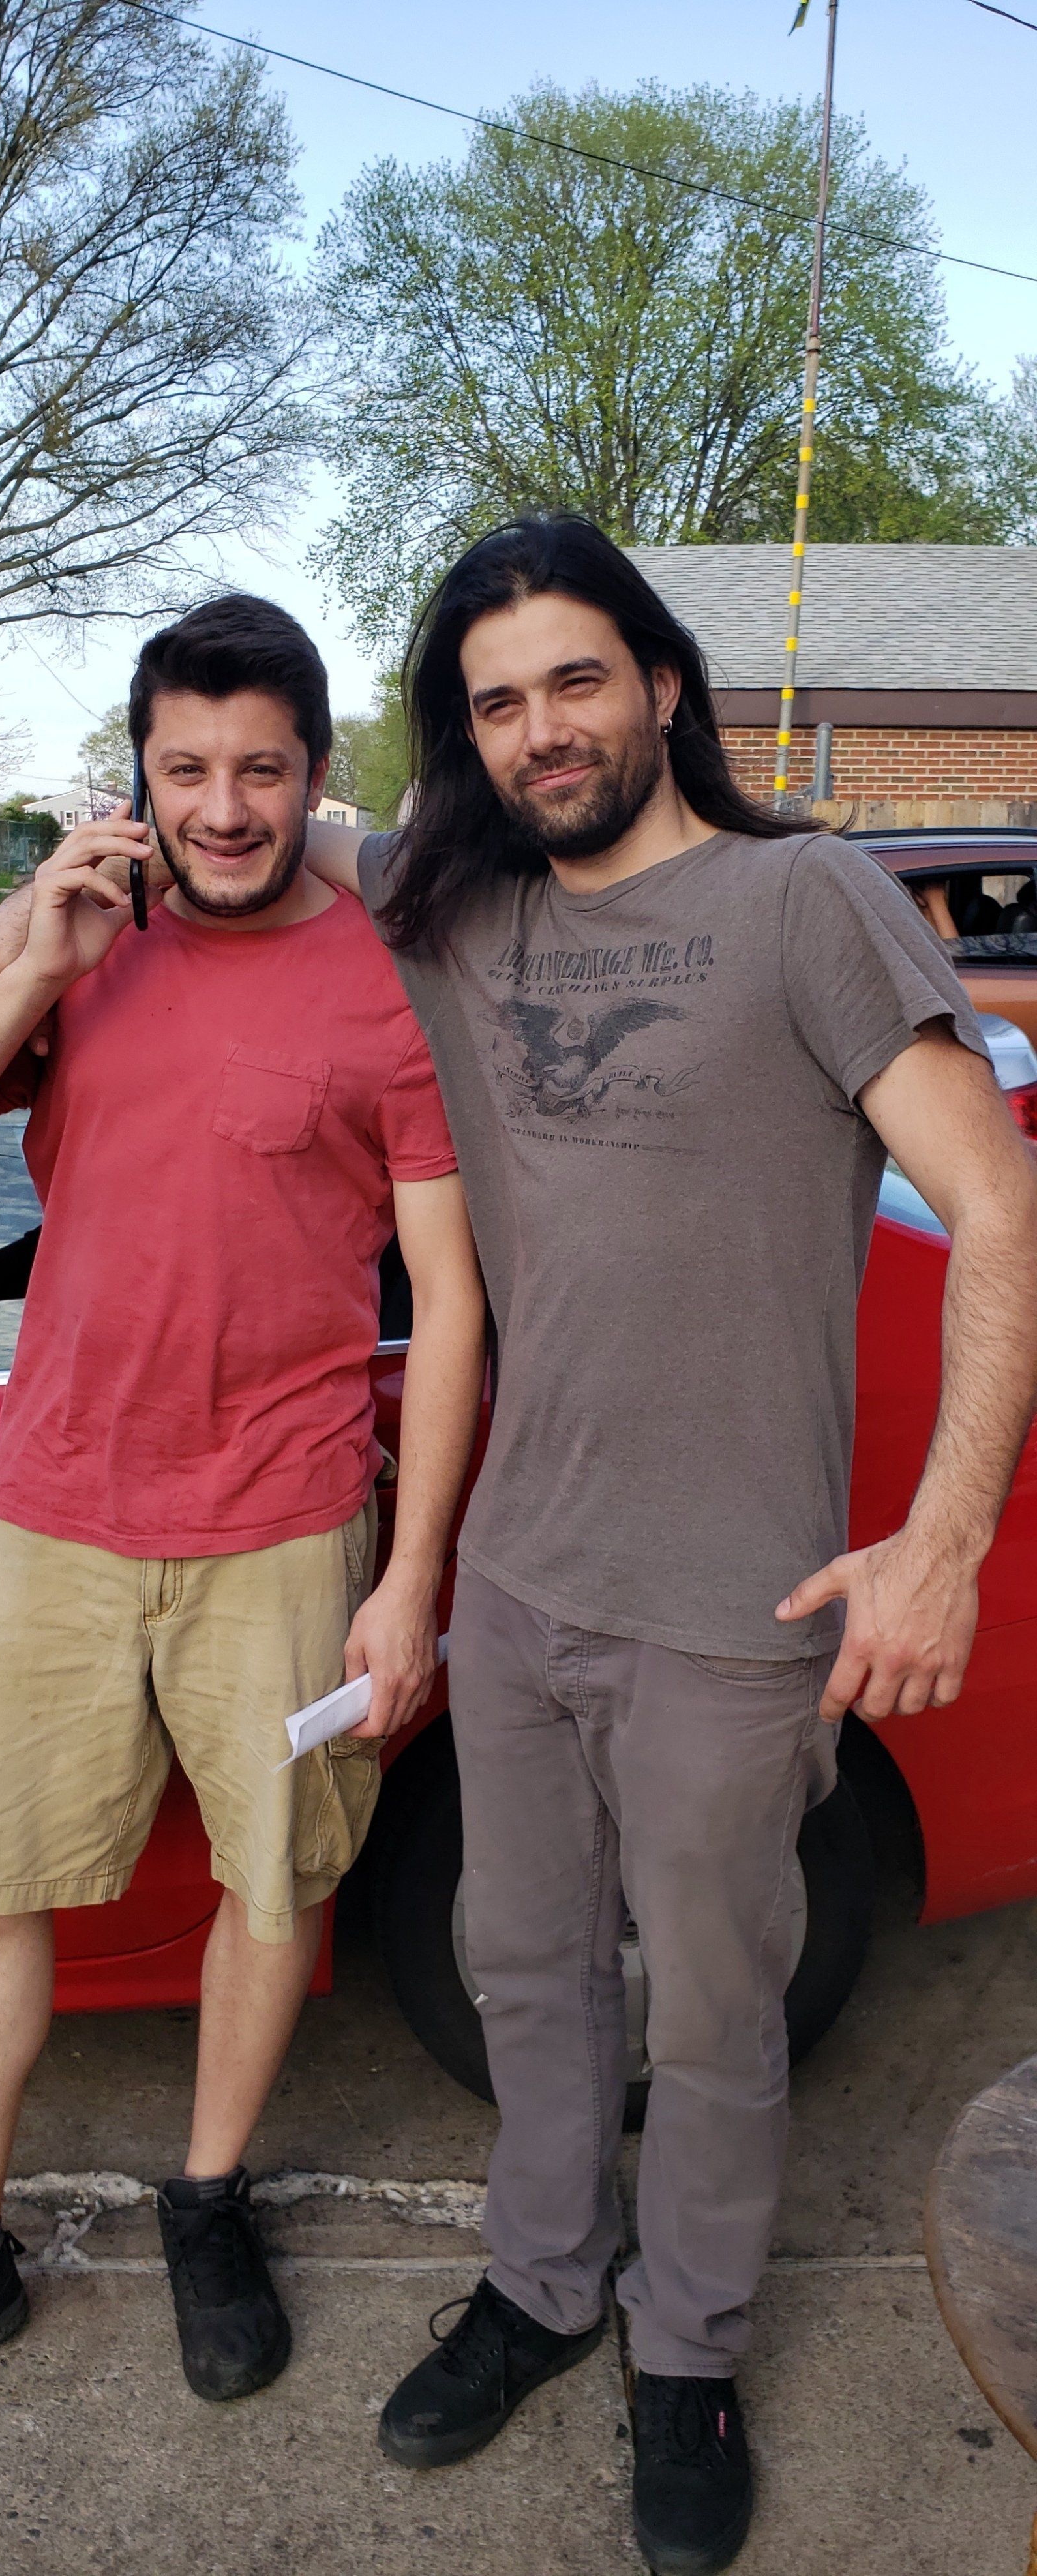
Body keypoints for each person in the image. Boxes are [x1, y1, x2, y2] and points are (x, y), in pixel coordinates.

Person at [299, 517, 1037, 2575]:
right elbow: (282, 825)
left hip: (735, 1610)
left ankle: (685, 2349)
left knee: (717, 2010)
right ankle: (546, 2287)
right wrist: (102, 857)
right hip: (520, 1583)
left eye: (575, 681)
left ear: (664, 684)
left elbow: (1001, 1213)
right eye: (499, 700)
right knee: (522, 1967)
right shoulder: (457, 908)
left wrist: (941, 1538)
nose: (543, 730)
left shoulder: (807, 905)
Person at [0, 595, 485, 2448]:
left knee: (274, 1881)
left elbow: (455, 1293)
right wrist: (33, 962)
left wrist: (410, 1577)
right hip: (61, 1515)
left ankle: (209, 2197)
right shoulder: (73, 952)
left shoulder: (389, 980)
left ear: (317, 777)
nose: (228, 806)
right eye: (191, 770)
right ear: (143, 780)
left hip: (285, 1518)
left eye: (264, 769)